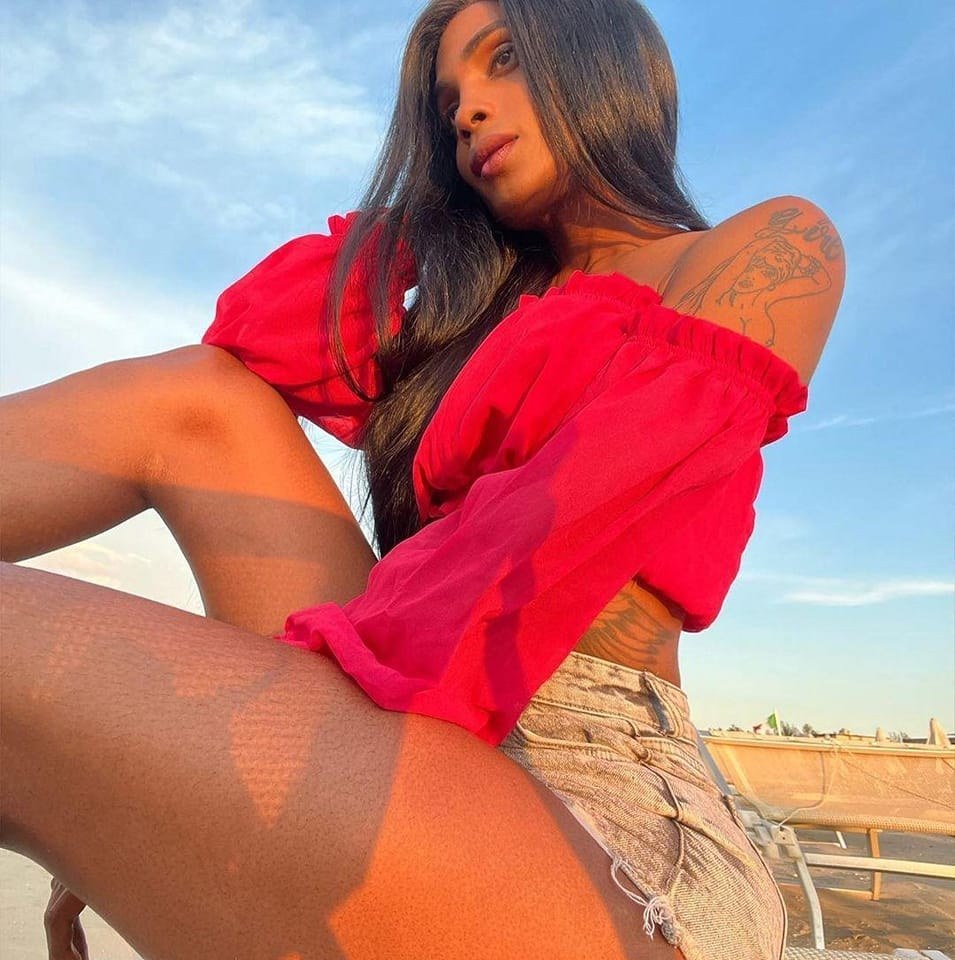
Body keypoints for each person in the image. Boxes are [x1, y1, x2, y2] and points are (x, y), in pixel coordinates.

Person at [0, 0, 845, 957]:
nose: (467, 113)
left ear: (601, 57)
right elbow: (257, 335)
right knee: (195, 397)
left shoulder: (765, 246)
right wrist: (437, 220)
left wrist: (156, 748)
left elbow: (564, 517)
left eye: (505, 60)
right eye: (446, 107)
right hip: (406, 721)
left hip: (602, 801)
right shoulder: (480, 314)